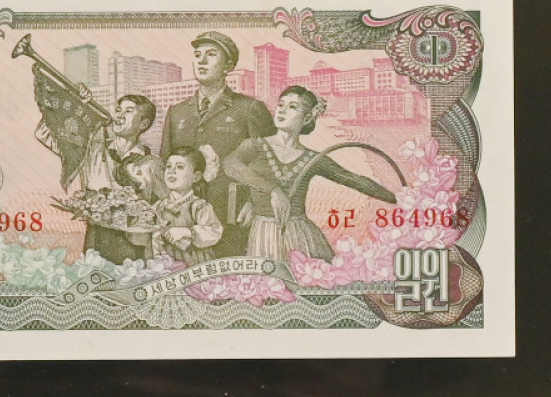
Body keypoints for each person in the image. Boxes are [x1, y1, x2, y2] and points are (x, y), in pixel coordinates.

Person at [224, 84, 396, 265]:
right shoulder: (255, 146)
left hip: (300, 235)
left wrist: (398, 198)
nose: (281, 110)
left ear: (306, 118)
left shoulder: (312, 159)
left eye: (292, 107)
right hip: (264, 234)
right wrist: (273, 190)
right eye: (281, 105)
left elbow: (354, 180)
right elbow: (230, 164)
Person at [159, 33, 274, 257]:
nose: (201, 61)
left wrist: (256, 204)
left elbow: (269, 163)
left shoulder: (249, 108)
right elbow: (165, 163)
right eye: (197, 55)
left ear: (228, 66)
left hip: (232, 216)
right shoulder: (177, 112)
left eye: (211, 55)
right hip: (183, 222)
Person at [75, 93, 164, 264]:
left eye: (128, 111)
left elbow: (167, 206)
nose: (119, 115)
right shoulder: (94, 151)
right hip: (97, 240)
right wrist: (79, 104)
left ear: (143, 124)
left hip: (134, 247)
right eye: (118, 110)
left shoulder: (153, 165)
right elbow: (48, 136)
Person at [148, 149, 224, 261]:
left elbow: (215, 231)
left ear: (196, 177)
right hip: (166, 261)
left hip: (194, 262)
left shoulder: (198, 206)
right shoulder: (160, 206)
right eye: (168, 166)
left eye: (179, 167)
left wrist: (188, 232)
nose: (171, 171)